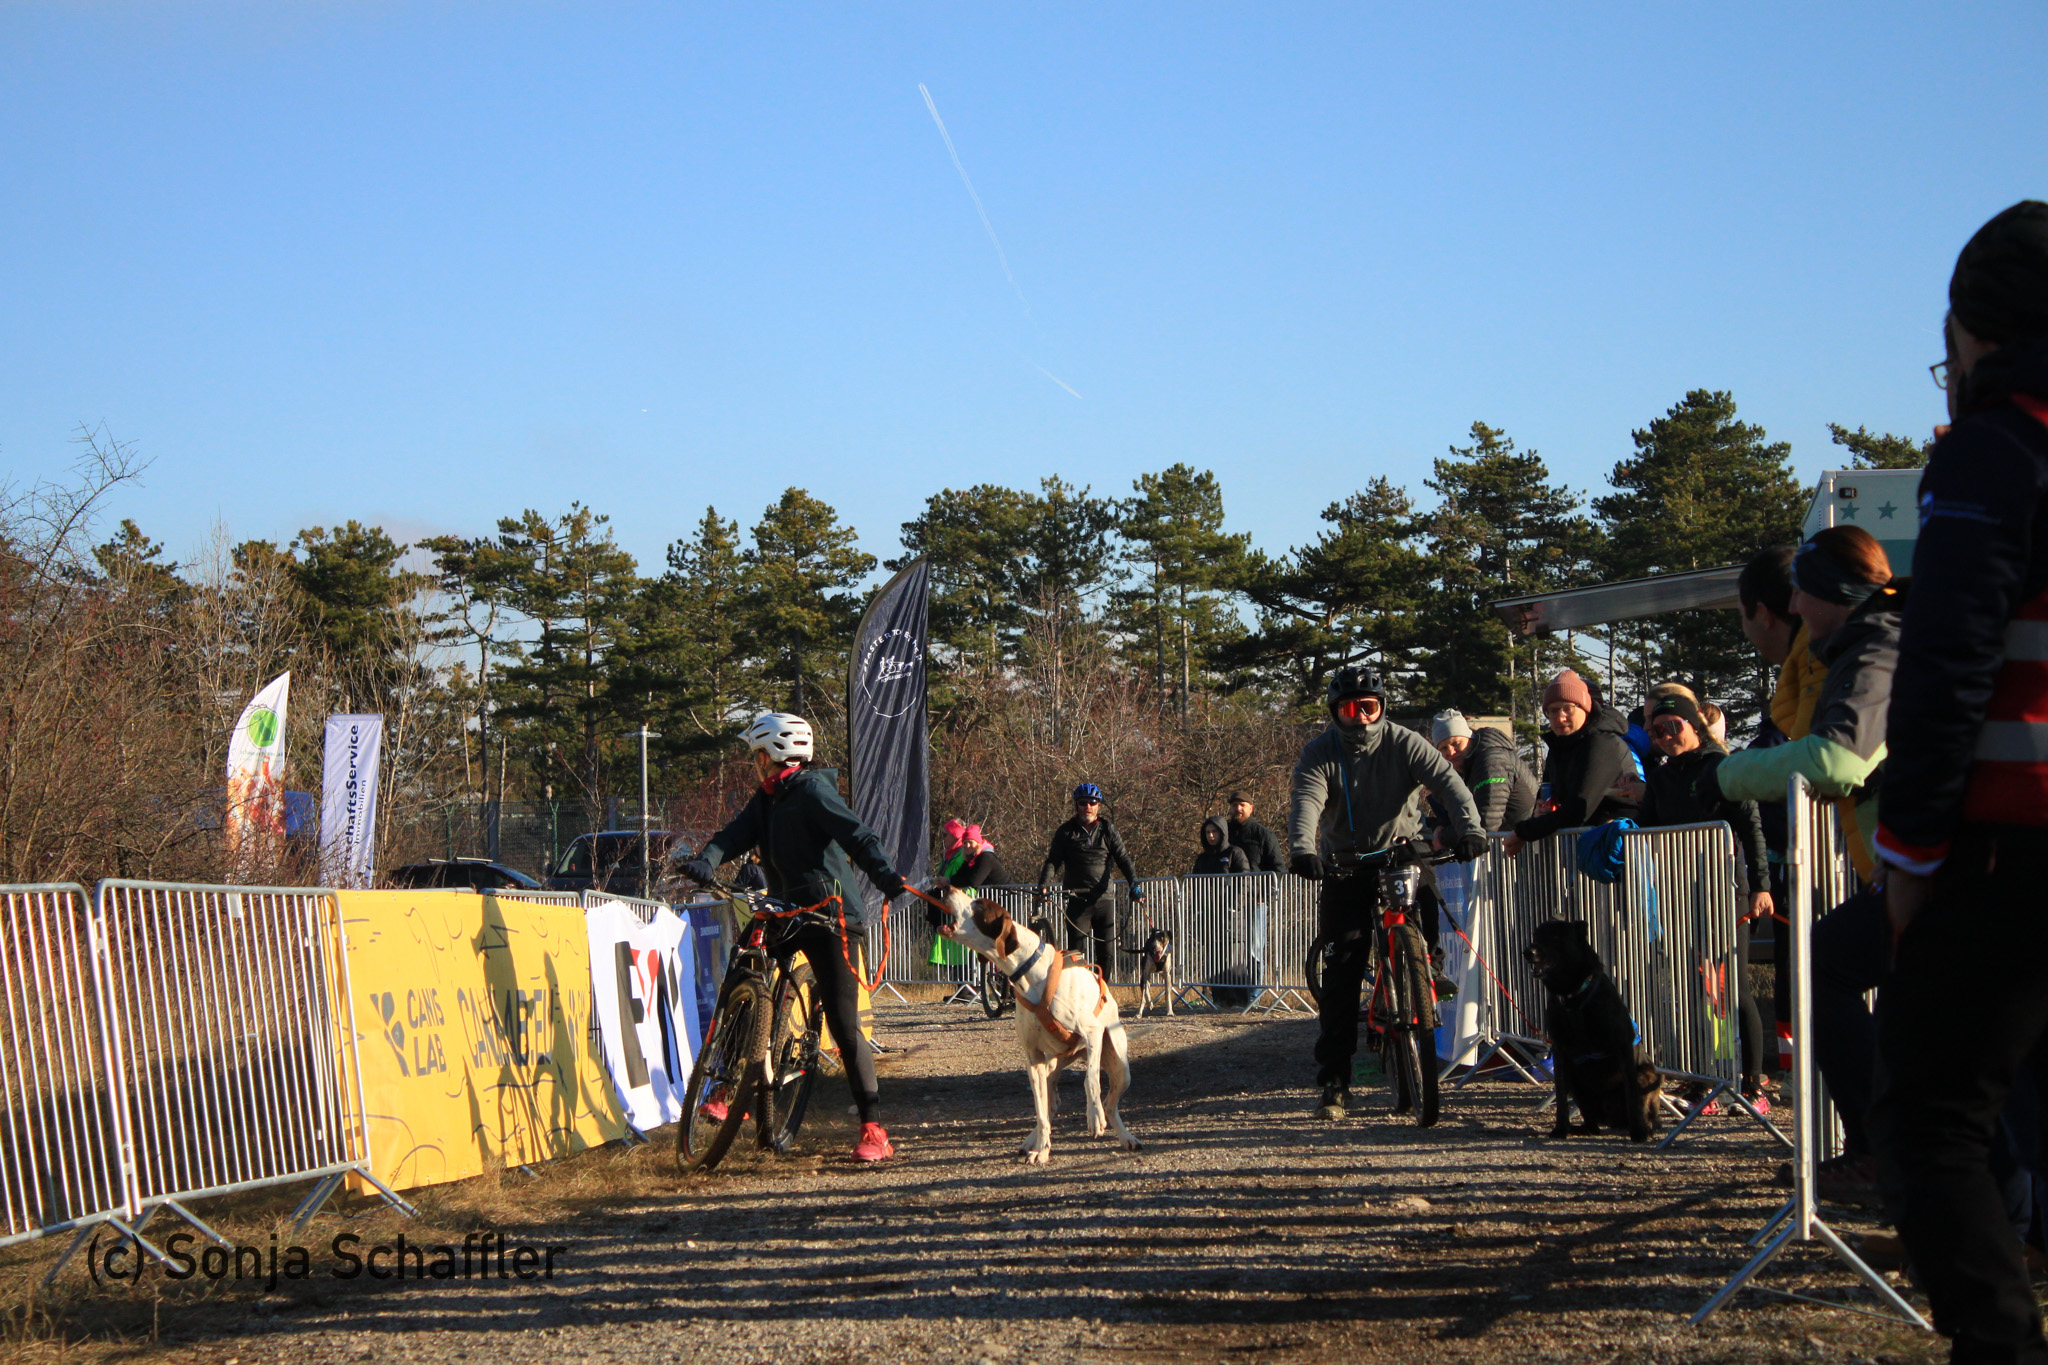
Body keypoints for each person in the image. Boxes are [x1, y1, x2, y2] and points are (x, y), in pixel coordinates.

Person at [1869, 201, 2048, 1361]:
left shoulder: (1997, 447)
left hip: (2009, 845)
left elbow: (1945, 665)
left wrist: (1908, 854)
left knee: (1928, 1119)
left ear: (1976, 336)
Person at [1715, 526, 1902, 1196]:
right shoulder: (1858, 646)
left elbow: (1836, 759)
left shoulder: (1875, 647)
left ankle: (1892, 1164)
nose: (1794, 604)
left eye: (1803, 591)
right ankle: (1909, 1178)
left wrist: (1728, 774)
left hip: (1945, 870)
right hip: (1916, 868)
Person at [681, 711, 908, 1163]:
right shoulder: (766, 799)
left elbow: (858, 836)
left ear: (774, 755)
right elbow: (734, 835)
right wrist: (708, 859)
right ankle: (728, 1086)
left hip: (832, 916)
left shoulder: (813, 791)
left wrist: (885, 876)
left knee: (843, 1023)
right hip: (786, 909)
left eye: (758, 756)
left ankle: (873, 1128)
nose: (755, 764)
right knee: (746, 970)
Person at [1287, 664, 1486, 1120]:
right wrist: (1302, 850)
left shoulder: (1405, 742)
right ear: (1335, 712)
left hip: (1400, 851)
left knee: (1425, 893)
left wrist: (1471, 828)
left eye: (1369, 707)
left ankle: (1425, 965)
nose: (1360, 717)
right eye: (1350, 709)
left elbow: (1449, 783)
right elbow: (1307, 801)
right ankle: (1335, 1082)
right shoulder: (1320, 751)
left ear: (1382, 708)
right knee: (1341, 973)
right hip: (1345, 863)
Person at [1635, 690, 1773, 1111]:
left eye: (1672, 727)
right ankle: (1702, 1081)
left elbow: (1750, 827)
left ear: (1694, 725)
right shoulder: (1661, 776)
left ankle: (1752, 1085)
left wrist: (1762, 886)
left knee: (1733, 987)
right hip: (1680, 890)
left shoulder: (1721, 766)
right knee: (1694, 986)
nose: (1665, 737)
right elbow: (1643, 827)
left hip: (1727, 891)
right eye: (1656, 732)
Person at [1503, 669, 1640, 859]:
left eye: (1568, 708)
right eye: (1553, 711)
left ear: (1585, 708)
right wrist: (1541, 811)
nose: (1560, 717)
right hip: (1584, 849)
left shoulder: (1601, 743)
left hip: (1618, 850)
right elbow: (1548, 797)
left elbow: (1579, 808)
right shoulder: (1558, 748)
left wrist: (1524, 832)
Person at [1035, 783, 1144, 971]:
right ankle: (1079, 989)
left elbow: (1123, 859)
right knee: (1076, 954)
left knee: (1106, 954)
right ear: (1076, 805)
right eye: (1083, 803)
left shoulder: (1107, 829)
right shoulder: (1066, 831)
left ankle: (1102, 988)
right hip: (1077, 900)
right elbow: (1053, 861)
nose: (1088, 807)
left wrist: (1134, 884)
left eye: (1092, 803)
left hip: (1104, 899)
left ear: (1098, 805)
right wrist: (1043, 885)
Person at [1431, 708, 1538, 832]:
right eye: (1444, 748)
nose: (1451, 752)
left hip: (1526, 839)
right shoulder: (1465, 769)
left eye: (1456, 743)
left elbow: (1487, 822)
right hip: (1512, 838)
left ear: (1470, 739)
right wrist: (1439, 825)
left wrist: (1443, 836)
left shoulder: (1492, 762)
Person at [1225, 791, 1285, 872]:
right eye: (1234, 805)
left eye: (1242, 805)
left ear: (1251, 808)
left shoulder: (1264, 834)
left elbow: (1278, 868)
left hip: (1256, 880)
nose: (1238, 809)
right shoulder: (1222, 833)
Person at [955, 824, 1008, 889]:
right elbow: (957, 877)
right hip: (992, 894)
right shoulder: (969, 859)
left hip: (1008, 894)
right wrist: (948, 881)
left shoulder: (986, 857)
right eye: (965, 842)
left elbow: (973, 882)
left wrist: (952, 882)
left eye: (971, 842)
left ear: (978, 844)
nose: (967, 846)